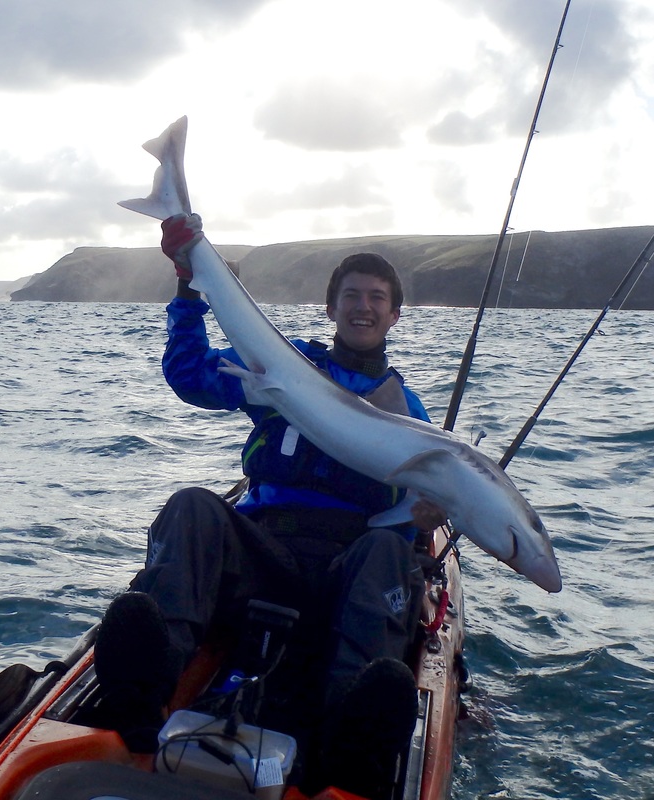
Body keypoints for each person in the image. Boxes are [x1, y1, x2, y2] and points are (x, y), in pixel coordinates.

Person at [94, 213, 445, 800]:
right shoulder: (280, 368)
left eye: (377, 298)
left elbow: (414, 517)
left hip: (350, 565)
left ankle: (348, 743)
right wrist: (188, 294)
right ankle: (142, 691)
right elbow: (190, 377)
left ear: (395, 315)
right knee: (193, 507)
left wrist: (425, 518)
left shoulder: (410, 415)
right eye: (351, 296)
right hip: (266, 554)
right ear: (330, 309)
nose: (363, 307)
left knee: (387, 549)